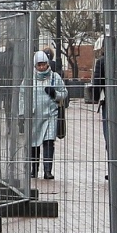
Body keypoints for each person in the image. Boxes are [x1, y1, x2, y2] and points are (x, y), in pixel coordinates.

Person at [28, 49, 67, 181]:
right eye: (39, 65)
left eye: (44, 64)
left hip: (51, 114)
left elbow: (64, 92)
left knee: (49, 141)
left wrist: (55, 94)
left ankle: (47, 170)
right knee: (34, 143)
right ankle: (34, 170)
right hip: (35, 115)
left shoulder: (55, 77)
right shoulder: (29, 78)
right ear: (35, 66)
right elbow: (22, 95)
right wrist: (23, 112)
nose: (42, 67)